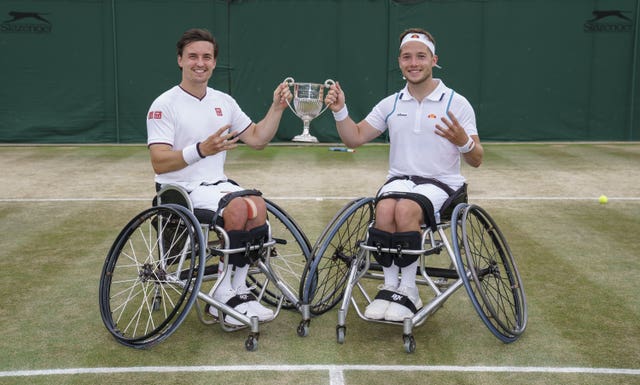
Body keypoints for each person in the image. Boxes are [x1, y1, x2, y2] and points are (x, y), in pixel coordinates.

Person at [324, 28, 483, 322]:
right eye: (407, 57)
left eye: (421, 56)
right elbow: (354, 138)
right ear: (399, 62)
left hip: (442, 185)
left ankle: (408, 290)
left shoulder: (456, 103)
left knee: (406, 209)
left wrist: (463, 140)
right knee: (384, 208)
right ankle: (389, 286)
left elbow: (476, 159)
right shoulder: (391, 103)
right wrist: (340, 110)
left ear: (433, 60)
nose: (414, 63)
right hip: (399, 182)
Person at [146, 28, 292, 326]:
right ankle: (224, 296)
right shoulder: (163, 105)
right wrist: (201, 149)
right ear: (180, 60)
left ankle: (237, 290)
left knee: (258, 206)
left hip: (217, 185)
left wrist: (276, 108)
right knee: (238, 207)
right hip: (180, 189)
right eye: (193, 57)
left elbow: (257, 139)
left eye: (207, 57)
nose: (200, 63)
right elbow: (159, 163)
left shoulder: (223, 101)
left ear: (214, 63)